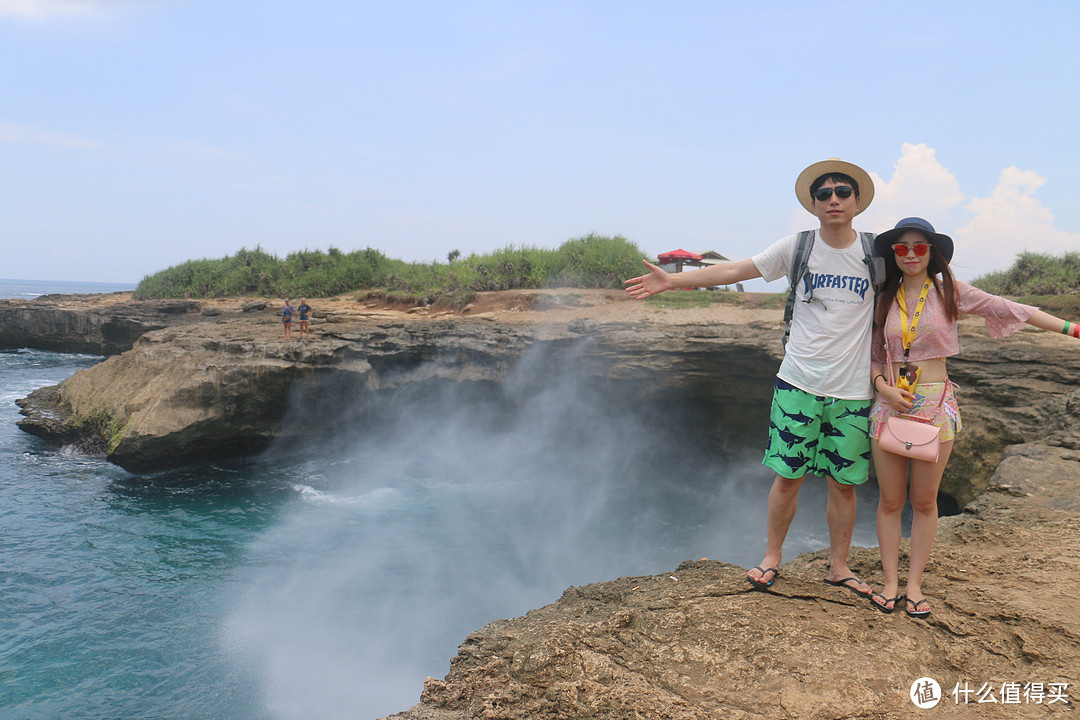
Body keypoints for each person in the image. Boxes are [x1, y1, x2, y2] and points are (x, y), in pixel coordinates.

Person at [625, 158, 879, 598]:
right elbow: (733, 270)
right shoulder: (797, 247)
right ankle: (772, 557)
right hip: (798, 381)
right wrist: (673, 283)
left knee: (843, 484)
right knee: (788, 476)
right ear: (814, 204)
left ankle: (839, 566)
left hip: (853, 390)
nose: (833, 200)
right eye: (824, 194)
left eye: (842, 193)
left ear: (857, 201)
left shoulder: (875, 253)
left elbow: (920, 283)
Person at [867, 217, 1079, 618]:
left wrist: (1073, 329)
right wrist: (884, 388)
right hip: (892, 405)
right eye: (901, 248)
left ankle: (914, 585)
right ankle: (890, 582)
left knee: (924, 501)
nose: (910, 254)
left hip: (935, 405)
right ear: (893, 255)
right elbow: (876, 355)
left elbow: (1012, 309)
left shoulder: (950, 292)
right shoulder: (884, 297)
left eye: (919, 246)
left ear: (932, 252)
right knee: (891, 500)